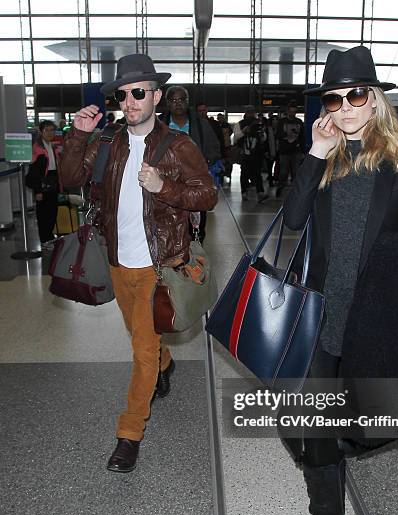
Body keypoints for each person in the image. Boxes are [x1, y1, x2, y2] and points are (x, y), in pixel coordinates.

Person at [282, 45, 398, 515]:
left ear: (374, 100)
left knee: (369, 415)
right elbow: (293, 220)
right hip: (325, 312)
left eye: (356, 95)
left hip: (380, 312)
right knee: (315, 423)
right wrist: (314, 152)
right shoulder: (325, 155)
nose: (346, 107)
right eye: (335, 98)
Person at [60, 53, 217, 473]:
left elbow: (208, 195)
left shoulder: (178, 146)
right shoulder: (108, 141)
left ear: (156, 96)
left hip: (157, 265)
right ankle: (167, 363)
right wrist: (77, 136)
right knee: (140, 337)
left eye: (138, 93)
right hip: (117, 261)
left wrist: (164, 186)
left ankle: (129, 434)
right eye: (123, 95)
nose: (129, 101)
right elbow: (69, 179)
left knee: (141, 352)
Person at [160, 87, 221, 242]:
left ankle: (195, 260)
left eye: (182, 100)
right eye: (173, 100)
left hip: (195, 185)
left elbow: (214, 148)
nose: (178, 104)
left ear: (187, 102)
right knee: (169, 228)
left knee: (196, 230)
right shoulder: (158, 125)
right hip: (167, 184)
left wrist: (203, 164)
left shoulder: (201, 125)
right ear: (167, 103)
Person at [27, 120, 61, 249]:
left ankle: (49, 237)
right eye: (47, 130)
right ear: (41, 132)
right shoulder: (37, 149)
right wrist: (38, 191)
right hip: (42, 184)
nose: (50, 133)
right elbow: (34, 173)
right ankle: (45, 240)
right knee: (43, 214)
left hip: (52, 182)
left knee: (52, 211)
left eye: (52, 130)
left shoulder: (53, 147)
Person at [233, 105, 268, 202]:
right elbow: (236, 137)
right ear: (245, 113)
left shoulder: (258, 124)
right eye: (249, 112)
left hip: (256, 153)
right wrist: (244, 131)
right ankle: (244, 192)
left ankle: (260, 193)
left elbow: (264, 138)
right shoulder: (240, 124)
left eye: (252, 112)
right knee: (244, 174)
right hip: (244, 153)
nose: (250, 114)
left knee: (257, 174)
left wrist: (261, 133)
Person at [276, 100, 305, 196]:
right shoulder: (281, 122)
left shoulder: (299, 122)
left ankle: (296, 192)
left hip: (296, 151)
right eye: (291, 111)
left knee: (296, 171)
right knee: (283, 172)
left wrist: (302, 151)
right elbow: (278, 135)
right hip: (284, 151)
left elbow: (302, 137)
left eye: (294, 112)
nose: (293, 113)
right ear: (288, 111)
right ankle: (280, 188)